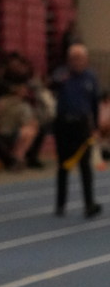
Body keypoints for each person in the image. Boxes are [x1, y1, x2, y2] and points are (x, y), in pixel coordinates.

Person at [51, 42, 103, 219]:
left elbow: (95, 104)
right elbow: (53, 83)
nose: (76, 62)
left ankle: (89, 204)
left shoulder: (91, 77)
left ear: (86, 59)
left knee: (85, 165)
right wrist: (62, 78)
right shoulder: (61, 74)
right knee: (63, 165)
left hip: (82, 125)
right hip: (64, 124)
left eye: (80, 58)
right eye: (73, 58)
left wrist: (95, 127)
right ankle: (60, 204)